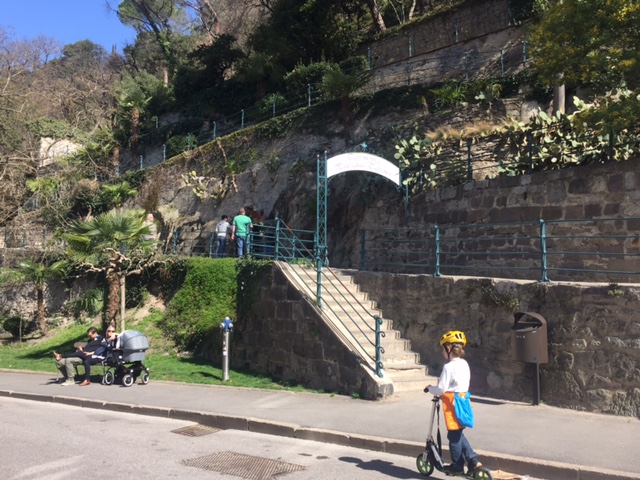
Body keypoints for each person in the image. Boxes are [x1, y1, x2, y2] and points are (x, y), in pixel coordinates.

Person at [425, 330, 482, 474]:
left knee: (453, 436)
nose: (443, 352)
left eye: (443, 348)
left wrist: (430, 388)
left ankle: (457, 466)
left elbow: (441, 389)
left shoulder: (448, 367)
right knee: (458, 433)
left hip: (452, 403)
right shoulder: (464, 364)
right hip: (463, 400)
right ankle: (473, 461)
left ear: (449, 349)